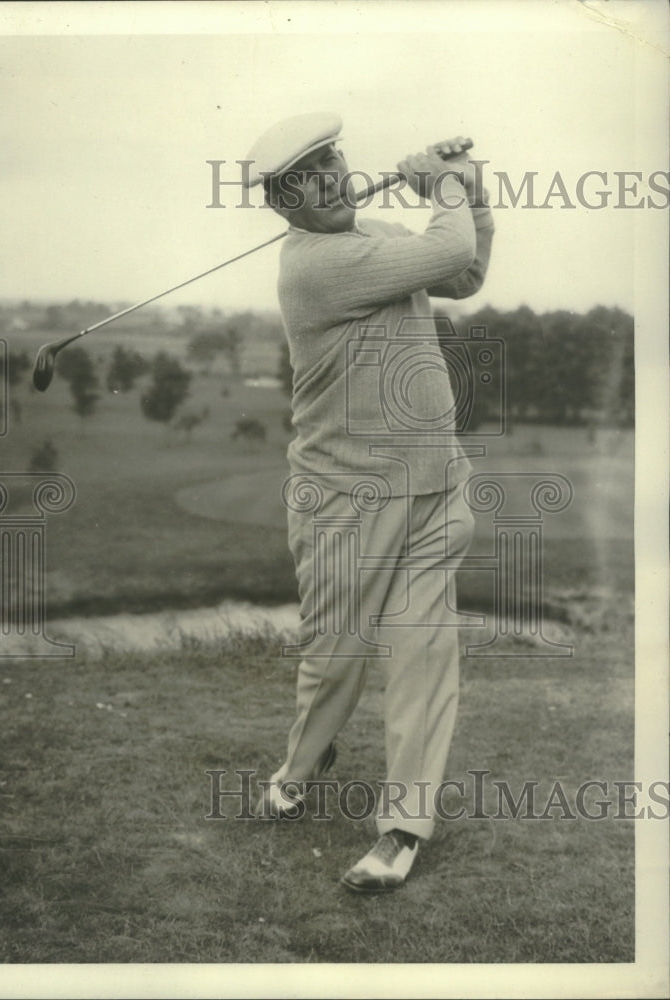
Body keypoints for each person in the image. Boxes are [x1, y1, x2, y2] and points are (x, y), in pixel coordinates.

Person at [243, 112, 495, 892]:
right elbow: (446, 247)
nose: (329, 180)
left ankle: (400, 829)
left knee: (422, 650)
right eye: (305, 179)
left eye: (332, 163)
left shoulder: (376, 234)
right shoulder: (313, 267)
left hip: (431, 484)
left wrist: (472, 194)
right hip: (343, 500)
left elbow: (462, 272)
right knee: (337, 657)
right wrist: (445, 186)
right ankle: (303, 758)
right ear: (284, 206)